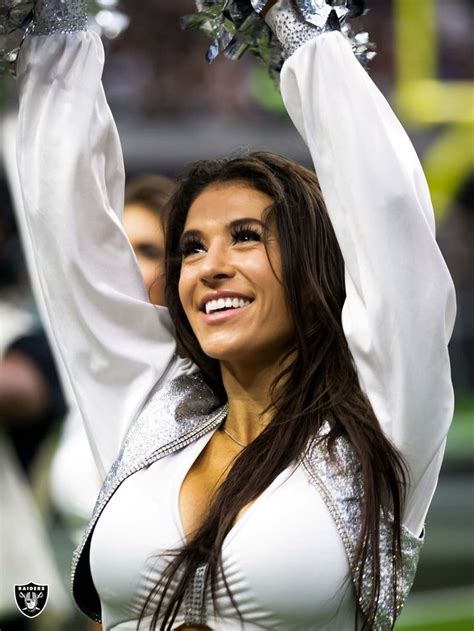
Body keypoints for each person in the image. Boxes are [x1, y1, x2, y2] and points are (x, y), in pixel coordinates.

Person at [14, 1, 455, 630]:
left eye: (245, 237)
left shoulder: (380, 425)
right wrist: (57, 30)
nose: (208, 266)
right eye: (191, 247)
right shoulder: (152, 411)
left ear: (310, 272)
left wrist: (294, 24)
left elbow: (389, 219)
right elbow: (66, 236)